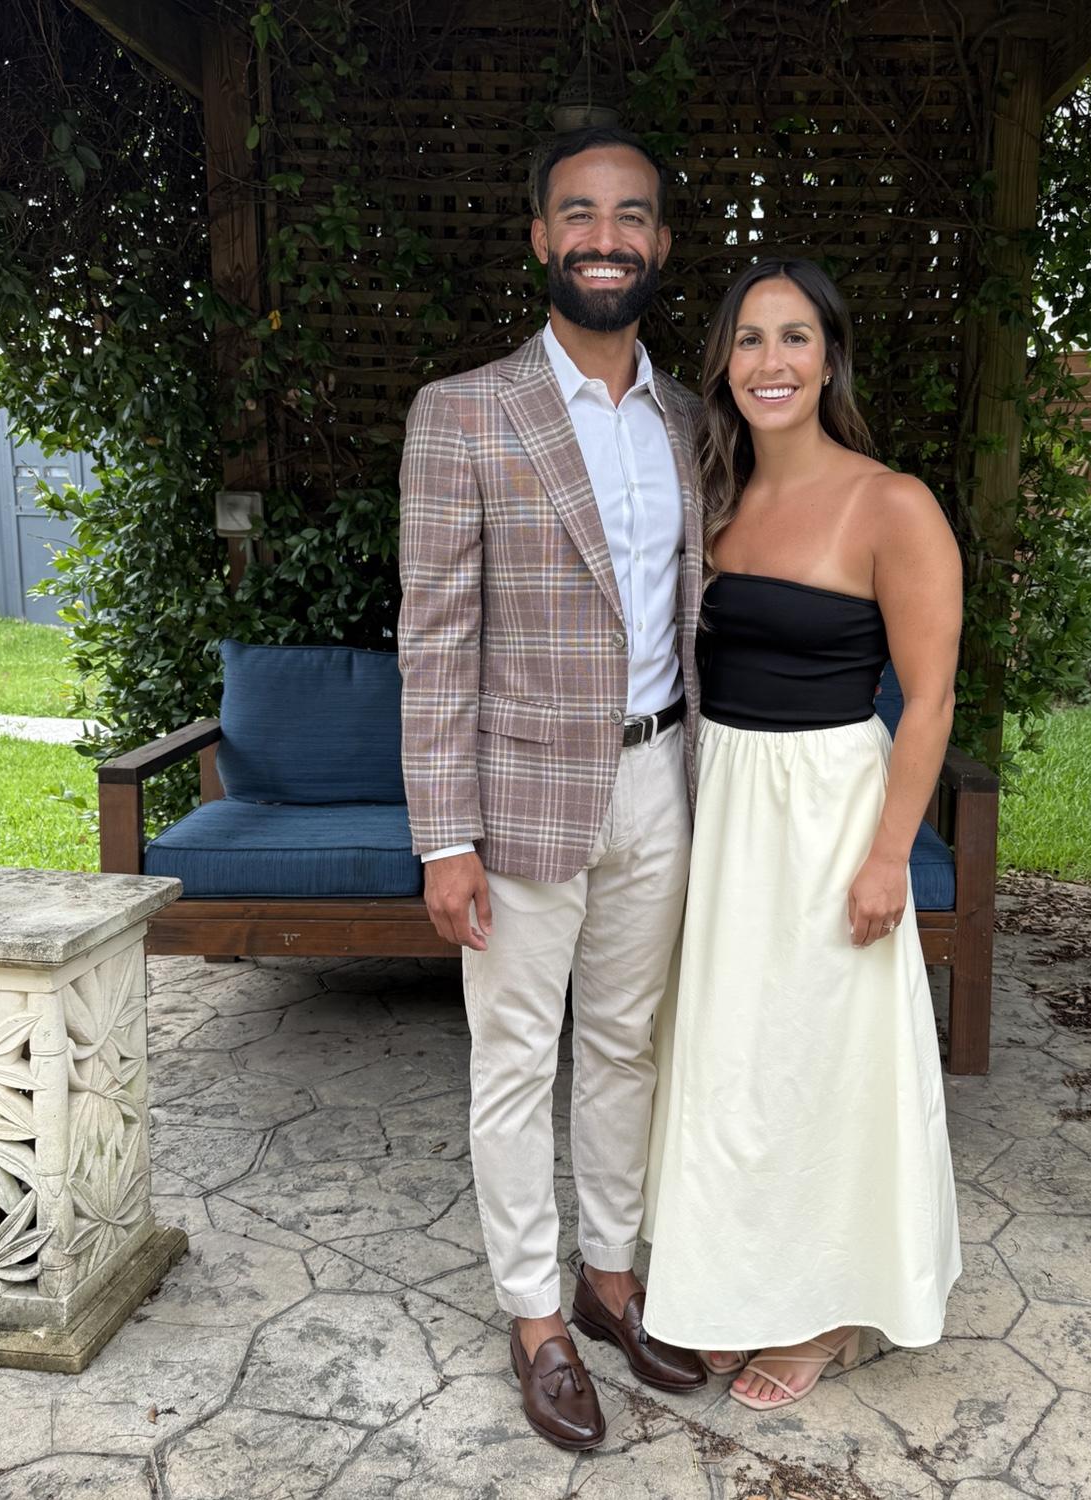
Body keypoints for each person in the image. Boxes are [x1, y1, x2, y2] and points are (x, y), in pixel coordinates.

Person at [397, 126, 708, 1451]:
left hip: (662, 781)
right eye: (579, 212)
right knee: (516, 1060)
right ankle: (534, 1316)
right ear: (540, 236)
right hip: (520, 800)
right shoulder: (463, 412)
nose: (605, 237)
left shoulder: (690, 421)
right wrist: (443, 837)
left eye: (630, 215)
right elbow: (435, 640)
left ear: (660, 243)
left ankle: (610, 1280)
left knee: (629, 1045)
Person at [641, 257, 964, 1410]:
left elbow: (930, 699)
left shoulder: (892, 504)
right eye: (748, 339)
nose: (770, 361)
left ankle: (829, 1313)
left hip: (831, 809)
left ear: (829, 360)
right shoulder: (711, 497)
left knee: (824, 1063)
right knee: (732, 1061)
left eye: (793, 338)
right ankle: (739, 1290)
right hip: (723, 801)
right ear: (723, 366)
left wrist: (889, 856)